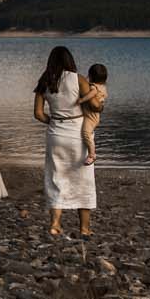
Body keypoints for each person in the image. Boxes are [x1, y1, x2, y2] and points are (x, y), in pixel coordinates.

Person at [33, 45, 96, 236]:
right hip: (77, 132)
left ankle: (55, 224)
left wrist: (53, 120)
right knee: (83, 179)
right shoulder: (78, 79)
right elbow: (93, 104)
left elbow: (38, 114)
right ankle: (84, 228)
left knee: (56, 177)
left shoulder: (44, 81)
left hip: (56, 134)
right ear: (70, 60)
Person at [77, 63, 109, 165]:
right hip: (93, 115)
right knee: (88, 133)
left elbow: (92, 94)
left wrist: (82, 99)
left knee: (86, 133)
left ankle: (92, 154)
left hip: (91, 116)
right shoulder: (102, 86)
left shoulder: (93, 87)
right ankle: (91, 152)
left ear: (91, 75)